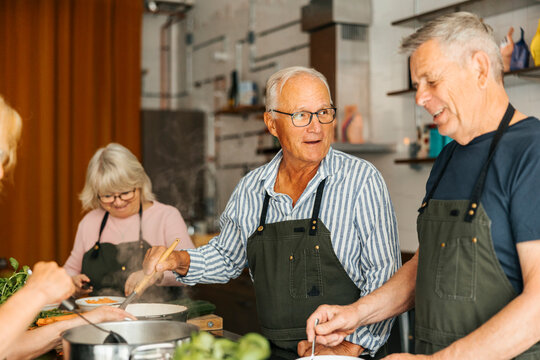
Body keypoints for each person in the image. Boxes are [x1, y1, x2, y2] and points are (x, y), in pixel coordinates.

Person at [306, 12, 540, 360]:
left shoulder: (531, 152)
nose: (420, 98)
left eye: (430, 81)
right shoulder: (448, 158)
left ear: (479, 68)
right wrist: (356, 314)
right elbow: (427, 264)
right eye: (417, 85)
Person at [142, 66, 401, 359]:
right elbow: (227, 257)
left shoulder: (361, 180)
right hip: (275, 352)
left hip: (350, 355)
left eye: (324, 112)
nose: (316, 127)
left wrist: (351, 346)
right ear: (272, 123)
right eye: (301, 115)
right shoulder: (252, 188)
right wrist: (177, 259)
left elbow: (384, 276)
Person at [0, 96, 135, 359]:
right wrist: (37, 291)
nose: (2, 174)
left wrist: (90, 321)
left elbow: (8, 347)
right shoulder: (91, 223)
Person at [64, 142, 195, 300]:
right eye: (107, 196)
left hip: (160, 318)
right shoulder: (90, 222)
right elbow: (69, 271)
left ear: (139, 184)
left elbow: (191, 270)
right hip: (102, 319)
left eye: (125, 192)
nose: (117, 202)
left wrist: (156, 275)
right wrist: (73, 283)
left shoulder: (166, 216)